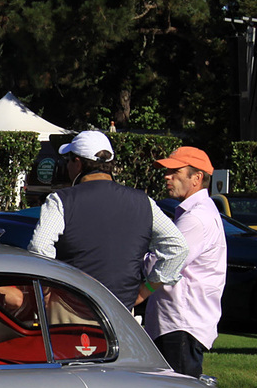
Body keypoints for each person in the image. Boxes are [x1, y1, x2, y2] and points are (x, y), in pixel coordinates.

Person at [28, 130, 187, 311]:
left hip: (72, 308)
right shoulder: (144, 202)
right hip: (122, 314)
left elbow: (39, 247)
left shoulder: (61, 200)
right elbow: (178, 247)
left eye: (68, 160)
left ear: (78, 163)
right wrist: (145, 290)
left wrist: (48, 292)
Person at [144, 147, 226, 376]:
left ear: (197, 178)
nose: (167, 176)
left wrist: (140, 255)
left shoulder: (196, 218)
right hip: (178, 323)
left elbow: (162, 263)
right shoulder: (197, 212)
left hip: (180, 324)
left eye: (175, 171)